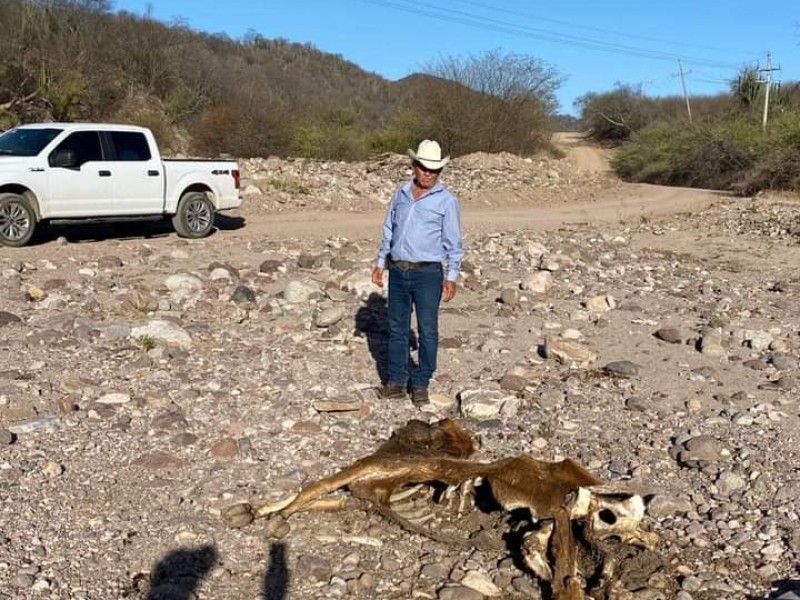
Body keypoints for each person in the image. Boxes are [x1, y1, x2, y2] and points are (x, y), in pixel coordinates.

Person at [372, 139, 463, 407]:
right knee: (398, 329)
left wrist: (452, 276)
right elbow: (389, 228)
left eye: (434, 170)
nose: (428, 174)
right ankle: (396, 382)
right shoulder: (400, 193)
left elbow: (454, 242)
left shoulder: (447, 201)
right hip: (398, 271)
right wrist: (380, 262)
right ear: (414, 166)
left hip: (428, 274)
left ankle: (421, 383)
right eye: (424, 168)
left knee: (428, 330)